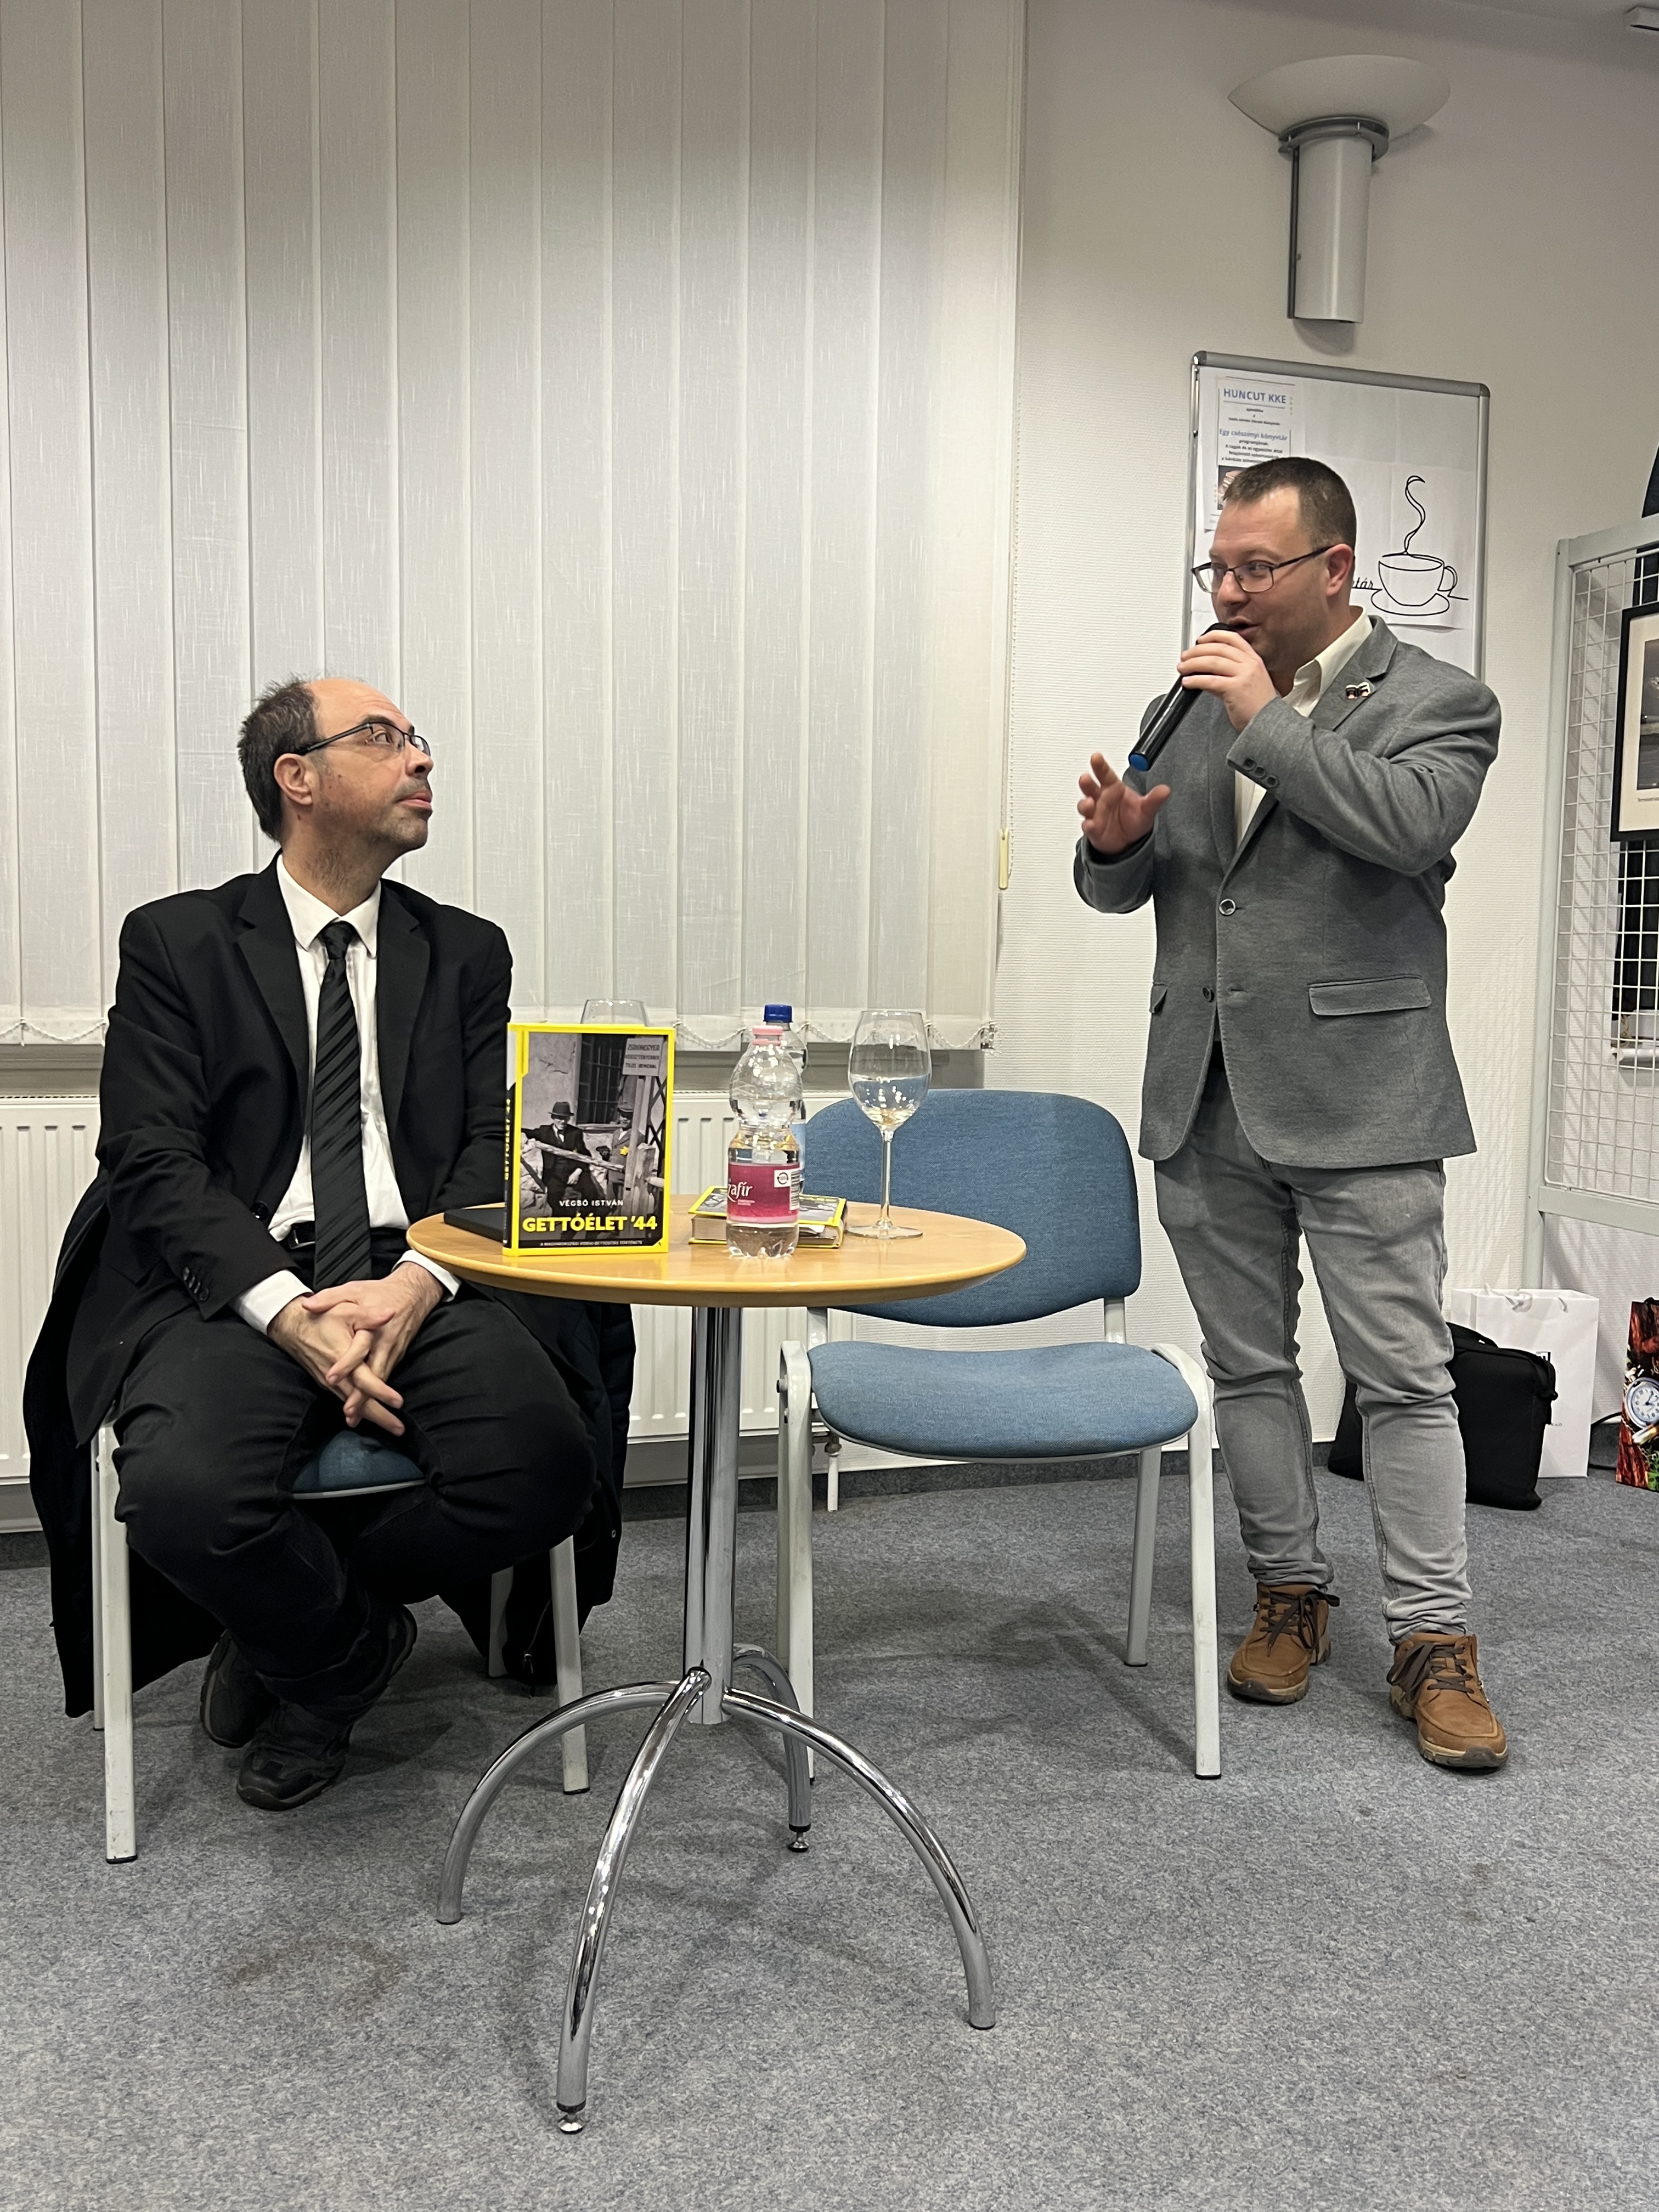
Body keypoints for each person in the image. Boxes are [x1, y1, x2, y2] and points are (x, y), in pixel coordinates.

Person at [29, 676, 603, 1813]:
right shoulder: (178, 941)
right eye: (384, 739)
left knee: (547, 1468)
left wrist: (418, 1282)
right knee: (184, 1497)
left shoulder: (465, 951)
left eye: (417, 739)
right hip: (238, 1280)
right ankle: (344, 1658)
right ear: (297, 778)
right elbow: (150, 1156)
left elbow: (491, 1148)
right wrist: (286, 1308)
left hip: (415, 1268)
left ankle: (287, 1630)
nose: (421, 759)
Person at [1074, 455, 1508, 1771]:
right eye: (1217, 566)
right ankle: (1289, 1593)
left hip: (1365, 1096)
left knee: (1404, 1380)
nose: (1229, 591)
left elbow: (1406, 826)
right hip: (1204, 1089)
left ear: (1336, 567)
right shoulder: (1189, 701)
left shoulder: (1441, 702)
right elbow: (1136, 892)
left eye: (1255, 567)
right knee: (1249, 1368)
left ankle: (1434, 1642)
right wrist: (1114, 843)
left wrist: (1267, 718)